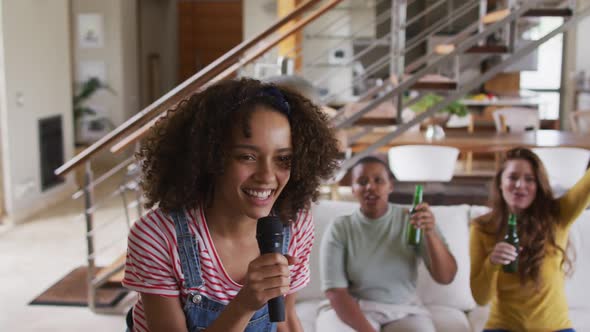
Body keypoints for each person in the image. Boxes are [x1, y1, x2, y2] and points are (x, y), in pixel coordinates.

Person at [122, 78, 340, 332]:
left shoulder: (294, 222)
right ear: (210, 157)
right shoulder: (156, 236)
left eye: (283, 159)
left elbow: (285, 319)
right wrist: (245, 303)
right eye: (247, 156)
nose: (267, 176)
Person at [318, 156, 458, 332]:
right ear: (353, 189)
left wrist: (430, 233)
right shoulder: (340, 227)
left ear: (390, 186)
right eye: (362, 182)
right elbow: (335, 292)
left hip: (404, 309)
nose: (370, 187)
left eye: (378, 180)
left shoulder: (415, 220)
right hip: (355, 309)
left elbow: (445, 277)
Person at [470, 147, 590, 332]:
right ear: (500, 183)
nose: (520, 185)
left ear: (538, 185)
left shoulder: (558, 215)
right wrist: (492, 262)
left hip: (556, 328)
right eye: (512, 177)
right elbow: (480, 298)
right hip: (503, 327)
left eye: (529, 179)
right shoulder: (482, 228)